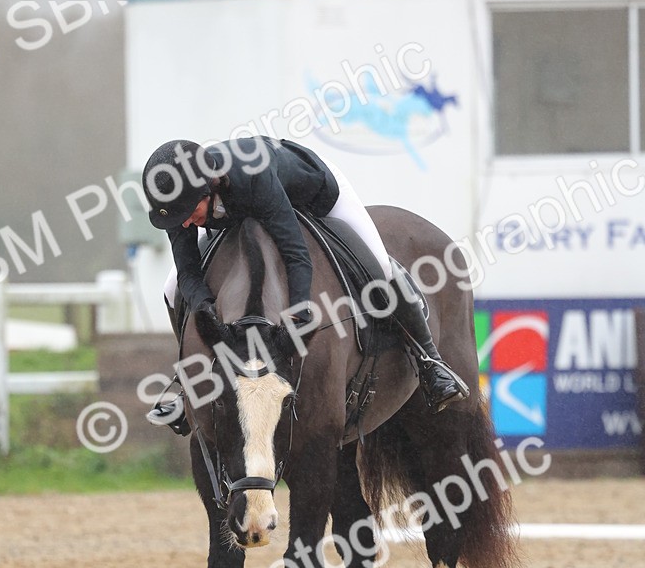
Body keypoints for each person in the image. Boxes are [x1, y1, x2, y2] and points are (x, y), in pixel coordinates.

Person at [142, 136, 468, 432]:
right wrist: (205, 309)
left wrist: (299, 308)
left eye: (189, 213)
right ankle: (189, 387)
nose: (186, 223)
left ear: (207, 188)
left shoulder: (252, 179)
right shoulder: (178, 205)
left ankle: (430, 362)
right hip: (243, 207)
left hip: (313, 191)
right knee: (171, 289)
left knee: (381, 266)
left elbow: (296, 253)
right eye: (178, 217)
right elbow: (188, 273)